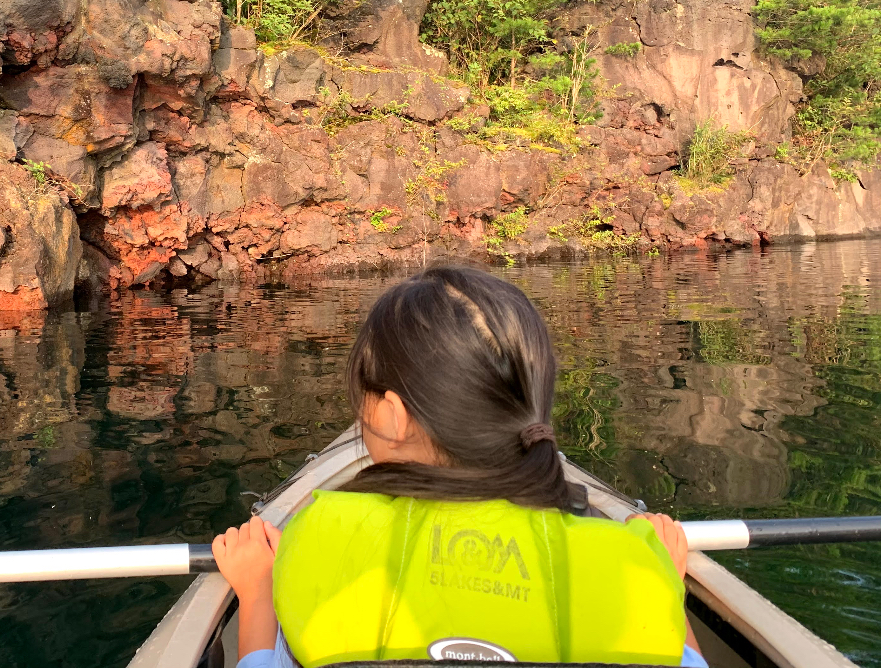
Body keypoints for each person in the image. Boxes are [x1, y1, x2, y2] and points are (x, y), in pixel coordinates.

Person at [212, 265, 707, 667]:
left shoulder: (315, 537)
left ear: (391, 415)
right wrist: (664, 580)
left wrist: (257, 592)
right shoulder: (635, 569)